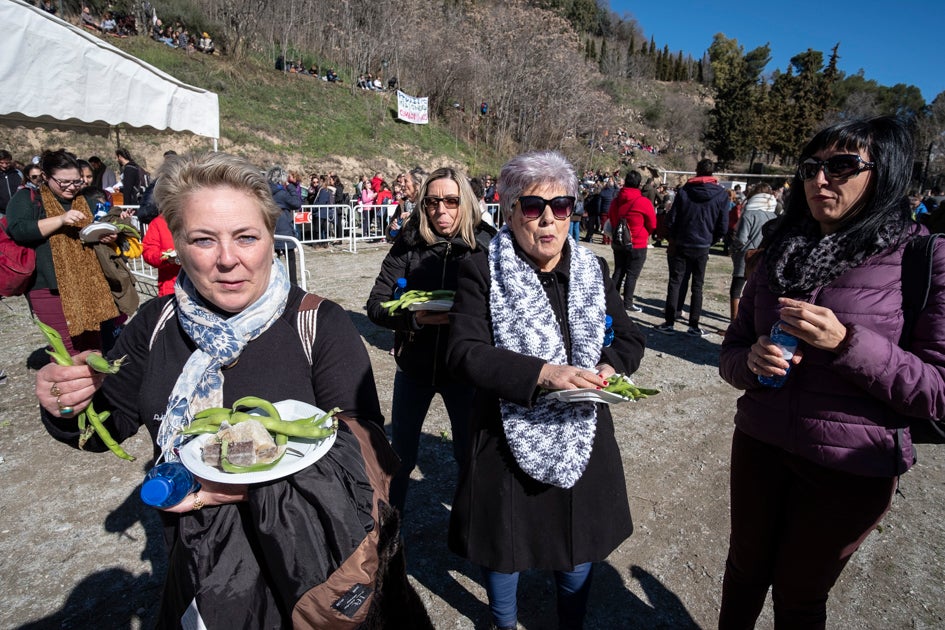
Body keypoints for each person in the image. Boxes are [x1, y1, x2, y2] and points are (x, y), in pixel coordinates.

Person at [32, 152, 431, 628]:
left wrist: (228, 489)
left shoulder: (318, 323)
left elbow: (364, 457)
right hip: (198, 570)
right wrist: (67, 402)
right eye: (203, 240)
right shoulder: (154, 326)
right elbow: (104, 427)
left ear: (270, 238)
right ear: (177, 243)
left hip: (309, 569)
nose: (227, 259)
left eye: (246, 237)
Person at [718, 116, 945, 629]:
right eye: (811, 168)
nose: (821, 180)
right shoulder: (779, 250)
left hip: (850, 466)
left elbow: (938, 391)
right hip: (759, 443)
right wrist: (750, 362)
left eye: (842, 167)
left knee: (799, 597)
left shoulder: (921, 257)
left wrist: (847, 343)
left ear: (882, 173)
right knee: (744, 571)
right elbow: (730, 352)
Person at [446, 150, 645, 630]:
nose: (549, 220)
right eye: (534, 207)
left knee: (577, 541)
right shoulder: (482, 270)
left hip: (582, 426)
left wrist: (607, 366)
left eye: (562, 206)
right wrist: (544, 373)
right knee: (504, 541)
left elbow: (632, 337)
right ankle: (503, 620)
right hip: (506, 427)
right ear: (511, 211)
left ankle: (570, 620)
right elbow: (464, 352)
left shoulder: (592, 270)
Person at [366, 167, 496, 513]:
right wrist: (413, 318)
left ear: (466, 203)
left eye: (451, 201)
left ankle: (474, 529)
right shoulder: (409, 242)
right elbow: (375, 305)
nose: (442, 210)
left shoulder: (488, 245)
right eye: (432, 202)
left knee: (469, 455)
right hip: (414, 369)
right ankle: (390, 533)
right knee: (400, 458)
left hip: (466, 373)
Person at [6, 150, 119, 354]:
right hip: (49, 288)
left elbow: (100, 226)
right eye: (63, 182)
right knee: (66, 350)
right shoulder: (28, 198)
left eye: (76, 181)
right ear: (46, 177)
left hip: (89, 284)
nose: (71, 187)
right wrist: (60, 220)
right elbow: (18, 229)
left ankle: (96, 385)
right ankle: (64, 385)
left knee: (94, 346)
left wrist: (108, 235)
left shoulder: (87, 199)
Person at [655, 158, 728, 336]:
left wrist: (675, 235)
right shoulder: (721, 194)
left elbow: (672, 219)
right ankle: (693, 325)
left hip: (682, 242)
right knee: (698, 285)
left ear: (696, 171)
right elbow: (723, 225)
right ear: (712, 173)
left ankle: (670, 322)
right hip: (702, 244)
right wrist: (711, 240)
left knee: (675, 282)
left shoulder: (685, 191)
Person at [608, 170, 657, 313]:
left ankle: (612, 300)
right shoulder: (643, 202)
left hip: (619, 241)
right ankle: (627, 303)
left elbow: (611, 217)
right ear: (639, 184)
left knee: (618, 271)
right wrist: (644, 233)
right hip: (637, 242)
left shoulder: (616, 200)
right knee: (632, 274)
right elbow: (652, 224)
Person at [729, 183, 777, 320]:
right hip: (765, 257)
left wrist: (732, 249)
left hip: (746, 256)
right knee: (757, 290)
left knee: (736, 290)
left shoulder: (749, 214)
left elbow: (741, 239)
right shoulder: (774, 216)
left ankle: (735, 322)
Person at [267, 166, 302, 284]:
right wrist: (290, 186)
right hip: (284, 229)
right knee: (290, 259)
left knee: (272, 260)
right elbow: (296, 203)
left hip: (271, 228)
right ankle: (293, 285)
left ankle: (273, 282)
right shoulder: (281, 193)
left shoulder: (266, 192)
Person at [0, 149, 22, 214]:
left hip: (18, 209)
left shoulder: (17, 173)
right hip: (1, 213)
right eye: (1, 163)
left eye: (7, 163)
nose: (4, 165)